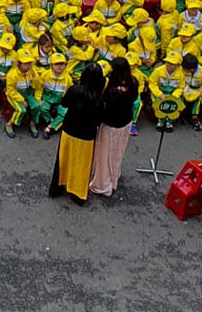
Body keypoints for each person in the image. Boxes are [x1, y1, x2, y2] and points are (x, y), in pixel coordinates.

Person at [48, 62, 103, 204]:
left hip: (69, 130)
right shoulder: (99, 98)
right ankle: (77, 193)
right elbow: (100, 118)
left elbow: (64, 103)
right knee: (82, 165)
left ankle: (58, 187)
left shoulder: (74, 90)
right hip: (86, 135)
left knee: (64, 159)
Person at [89, 60, 136, 197]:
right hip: (125, 123)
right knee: (117, 152)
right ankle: (115, 174)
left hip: (111, 125)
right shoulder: (133, 83)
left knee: (105, 155)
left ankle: (103, 184)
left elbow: (106, 104)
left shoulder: (112, 90)